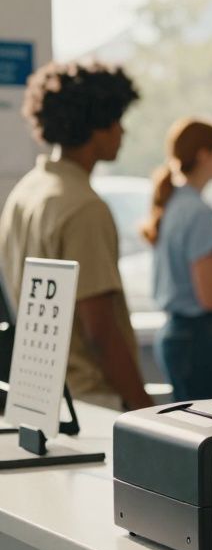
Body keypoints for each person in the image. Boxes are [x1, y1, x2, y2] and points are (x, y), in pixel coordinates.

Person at [1, 60, 151, 411]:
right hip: (90, 399)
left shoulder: (26, 192)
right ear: (96, 126)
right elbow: (100, 332)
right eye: (117, 121)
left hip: (37, 396)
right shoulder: (83, 207)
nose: (122, 133)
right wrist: (145, 408)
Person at [141, 118, 212, 401]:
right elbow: (210, 297)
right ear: (204, 154)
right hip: (201, 340)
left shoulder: (175, 204)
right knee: (210, 432)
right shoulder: (198, 213)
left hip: (179, 336)